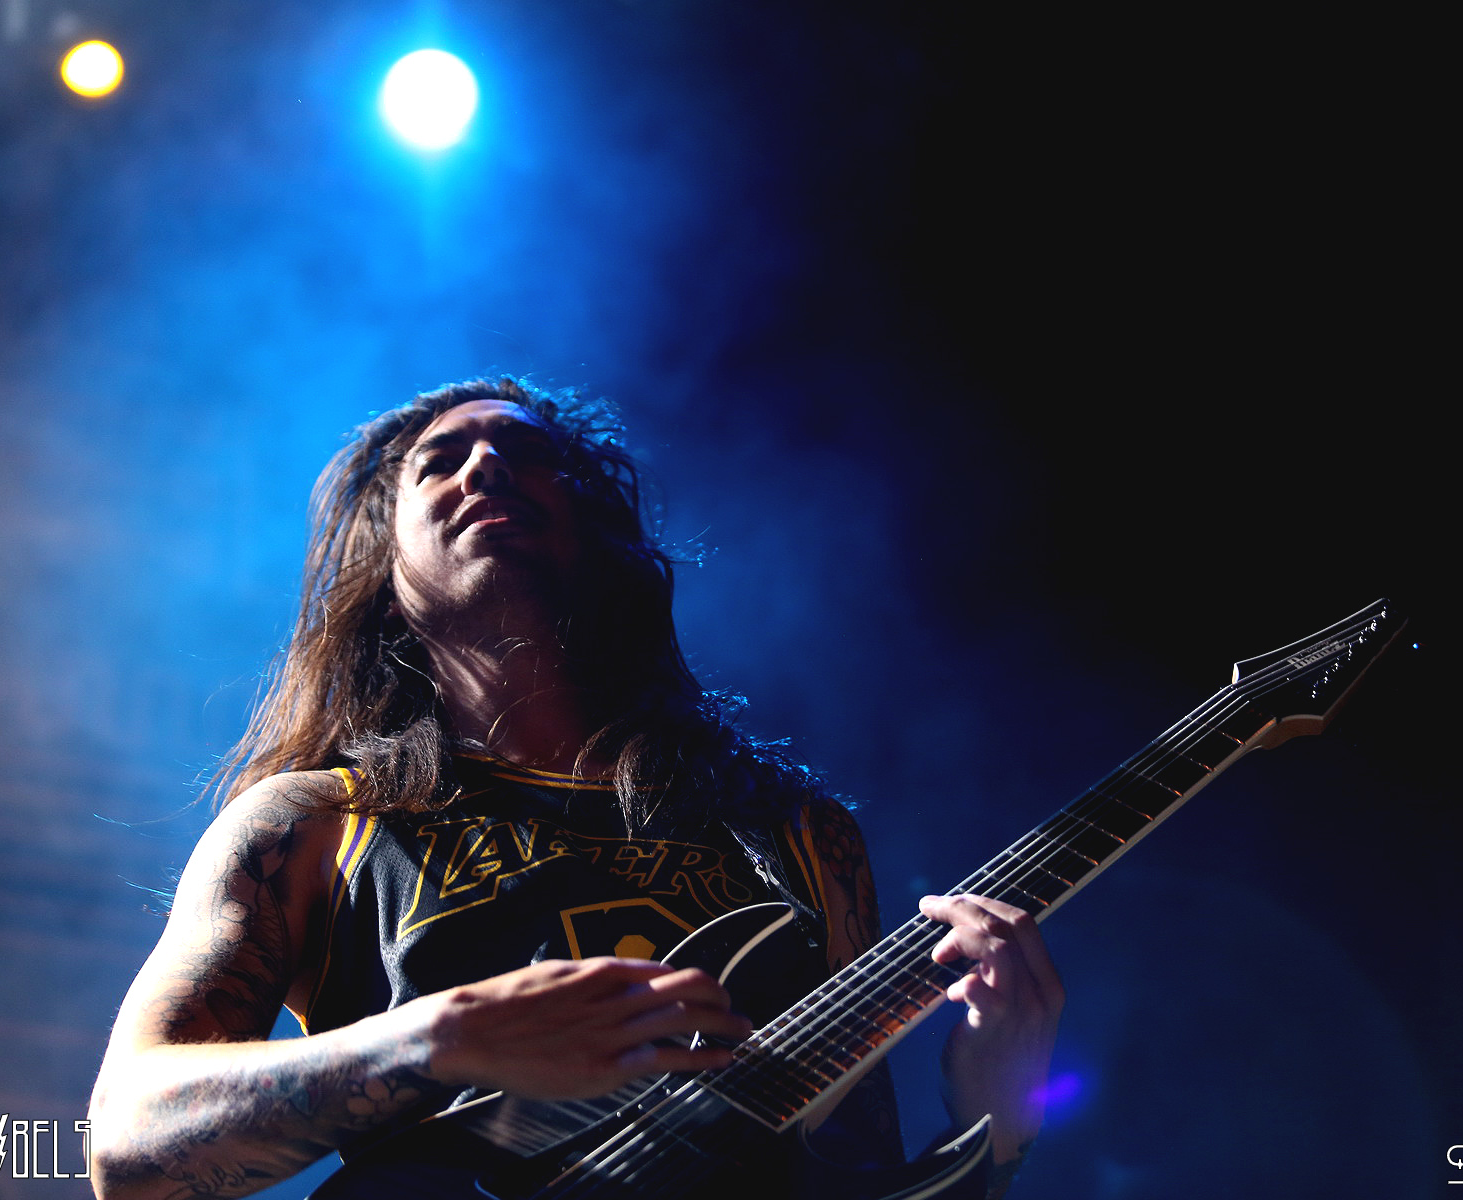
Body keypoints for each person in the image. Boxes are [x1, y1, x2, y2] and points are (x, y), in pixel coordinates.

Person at [87, 377, 1064, 1200]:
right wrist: (443, 1039)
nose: (485, 466)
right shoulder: (313, 824)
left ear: (600, 535)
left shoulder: (798, 834)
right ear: (386, 576)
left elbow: (853, 1172)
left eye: (524, 453)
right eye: (440, 462)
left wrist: (997, 1121)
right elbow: (131, 1141)